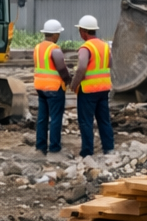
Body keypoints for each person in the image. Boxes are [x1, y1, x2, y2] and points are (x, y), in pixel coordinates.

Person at [70, 14, 114, 159]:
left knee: (86, 121)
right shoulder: (105, 46)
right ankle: (108, 149)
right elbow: (111, 64)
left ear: (83, 31)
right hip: (103, 89)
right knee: (104, 120)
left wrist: (74, 83)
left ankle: (87, 152)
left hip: (88, 90)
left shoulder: (86, 47)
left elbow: (81, 67)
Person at [33, 19, 70, 156]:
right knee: (55, 118)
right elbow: (61, 68)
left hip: (40, 87)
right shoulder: (54, 49)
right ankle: (54, 148)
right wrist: (68, 80)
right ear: (55, 35)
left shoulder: (38, 48)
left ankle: (40, 147)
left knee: (42, 118)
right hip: (54, 88)